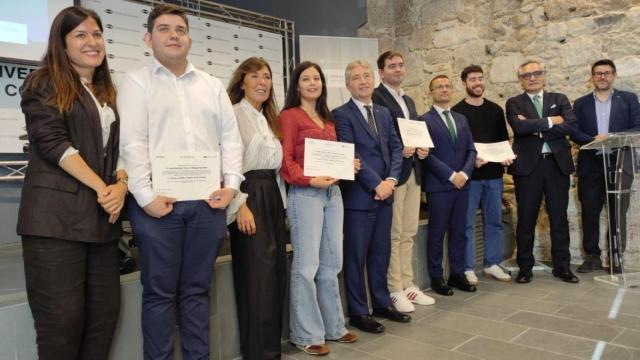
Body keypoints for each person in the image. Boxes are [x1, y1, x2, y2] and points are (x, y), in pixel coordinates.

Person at [118, 4, 244, 359]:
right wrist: (145, 197)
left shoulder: (212, 85)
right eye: (163, 29)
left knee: (197, 291)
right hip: (159, 206)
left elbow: (231, 140)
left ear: (189, 38)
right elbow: (133, 143)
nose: (173, 35)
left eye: (179, 29)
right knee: (159, 294)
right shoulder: (136, 81)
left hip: (208, 205)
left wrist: (231, 186)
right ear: (148, 38)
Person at [17, 6, 127, 359]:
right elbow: (53, 143)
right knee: (61, 327)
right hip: (55, 222)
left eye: (96, 34)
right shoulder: (43, 82)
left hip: (101, 223)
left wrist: (121, 185)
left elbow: (118, 150)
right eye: (80, 35)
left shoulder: (106, 91)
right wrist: (101, 187)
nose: (92, 42)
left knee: (103, 321)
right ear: (62, 45)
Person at [280, 61, 358, 356]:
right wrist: (310, 179)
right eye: (306, 79)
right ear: (297, 85)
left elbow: (331, 157)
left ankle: (334, 327)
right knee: (307, 265)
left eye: (317, 78)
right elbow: (286, 162)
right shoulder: (290, 116)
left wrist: (347, 165)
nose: (312, 83)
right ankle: (305, 333)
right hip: (306, 194)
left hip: (333, 194)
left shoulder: (327, 117)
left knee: (332, 263)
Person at [333, 59, 409, 335]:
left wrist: (390, 180)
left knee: (380, 253)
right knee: (356, 256)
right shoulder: (340, 114)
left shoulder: (383, 112)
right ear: (347, 85)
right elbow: (349, 153)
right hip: (359, 197)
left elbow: (396, 147)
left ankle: (380, 302)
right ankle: (358, 311)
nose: (363, 81)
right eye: (356, 78)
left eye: (366, 76)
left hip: (386, 194)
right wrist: (376, 183)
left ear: (373, 80)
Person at [225, 57, 287, 360]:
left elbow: (275, 169)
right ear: (242, 82)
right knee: (256, 277)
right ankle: (257, 353)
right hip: (248, 195)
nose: (262, 82)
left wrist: (282, 207)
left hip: (272, 195)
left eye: (267, 76)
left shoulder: (268, 117)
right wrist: (239, 205)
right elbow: (228, 164)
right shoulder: (233, 114)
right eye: (255, 76)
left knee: (275, 274)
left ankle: (271, 350)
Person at [505, 60, 578, 284]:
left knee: (559, 218)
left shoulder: (560, 99)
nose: (533, 78)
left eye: (537, 73)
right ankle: (525, 267)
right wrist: (550, 122)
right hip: (528, 168)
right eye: (527, 75)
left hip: (556, 165)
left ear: (544, 75)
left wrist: (534, 125)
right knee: (526, 219)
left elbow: (570, 125)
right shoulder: (514, 102)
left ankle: (562, 267)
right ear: (521, 79)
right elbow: (519, 128)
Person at [372, 51, 434, 312]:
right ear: (382, 72)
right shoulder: (376, 97)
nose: (398, 69)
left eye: (401, 65)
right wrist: (401, 150)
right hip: (393, 173)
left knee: (409, 231)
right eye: (391, 66)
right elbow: (381, 136)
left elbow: (415, 131)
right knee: (394, 234)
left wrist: (423, 147)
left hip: (414, 170)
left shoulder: (408, 99)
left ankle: (408, 284)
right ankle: (394, 287)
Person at [571, 59, 640, 273]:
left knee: (618, 210)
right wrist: (593, 139)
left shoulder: (628, 99)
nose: (602, 77)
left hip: (619, 161)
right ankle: (592, 256)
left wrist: (612, 138)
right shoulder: (581, 103)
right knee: (590, 210)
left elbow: (638, 127)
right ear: (592, 77)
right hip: (591, 163)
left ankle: (616, 257)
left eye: (607, 73)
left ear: (614, 75)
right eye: (598, 73)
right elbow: (574, 131)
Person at [452, 65, 512, 285]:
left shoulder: (496, 110)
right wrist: (469, 162)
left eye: (480, 78)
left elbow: (503, 141)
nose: (477, 83)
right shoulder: (458, 112)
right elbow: (457, 147)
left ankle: (492, 264)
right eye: (472, 79)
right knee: (467, 223)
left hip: (494, 175)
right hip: (470, 177)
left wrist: (506, 156)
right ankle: (468, 267)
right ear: (464, 83)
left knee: (494, 221)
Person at [420, 75, 478, 296]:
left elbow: (471, 150)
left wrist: (464, 173)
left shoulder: (461, 118)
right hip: (440, 186)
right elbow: (427, 155)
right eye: (439, 87)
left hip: (462, 185)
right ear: (431, 92)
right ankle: (437, 277)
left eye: (447, 86)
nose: (444, 90)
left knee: (459, 232)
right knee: (437, 234)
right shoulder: (423, 120)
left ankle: (457, 273)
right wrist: (451, 175)